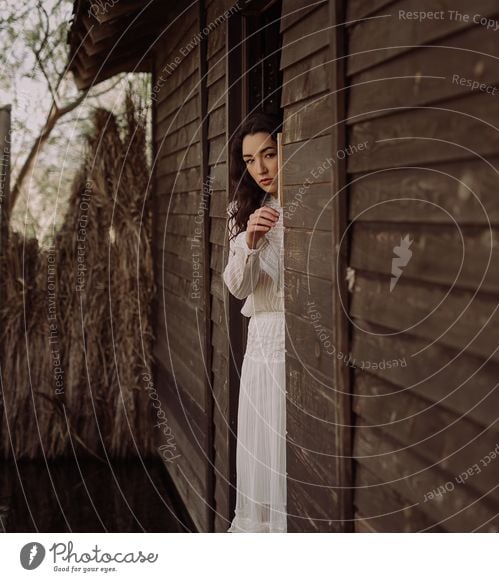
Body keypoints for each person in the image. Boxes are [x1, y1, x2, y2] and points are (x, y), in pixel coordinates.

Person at [223, 111, 286, 533]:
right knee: (266, 452)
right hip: (263, 342)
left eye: (268, 154)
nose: (260, 168)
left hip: (300, 338)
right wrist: (249, 241)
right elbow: (237, 287)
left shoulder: (309, 201)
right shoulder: (244, 209)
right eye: (249, 160)